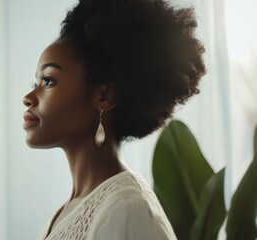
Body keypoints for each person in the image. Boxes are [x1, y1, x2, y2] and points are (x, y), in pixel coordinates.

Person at [22, 0, 205, 239]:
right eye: (35, 83)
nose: (28, 98)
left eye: (48, 81)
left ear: (104, 96)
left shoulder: (127, 209)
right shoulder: (65, 213)